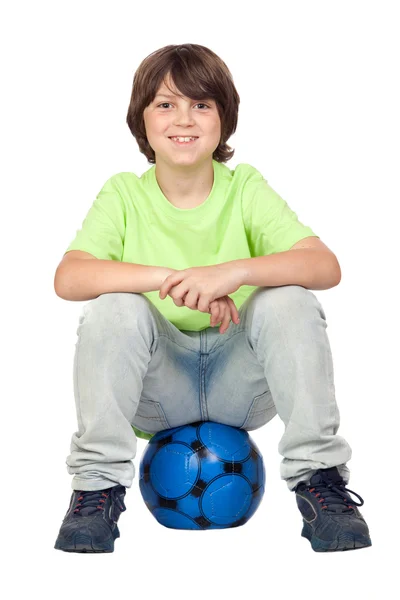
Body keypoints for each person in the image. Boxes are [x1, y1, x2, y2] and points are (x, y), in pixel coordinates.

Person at [53, 43, 371, 554]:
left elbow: (324, 266)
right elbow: (69, 278)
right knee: (113, 305)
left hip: (237, 384)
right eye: (166, 104)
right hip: (159, 392)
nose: (185, 118)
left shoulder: (244, 187)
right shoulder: (123, 194)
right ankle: (96, 489)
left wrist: (232, 273)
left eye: (202, 104)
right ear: (142, 120)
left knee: (286, 298)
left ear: (225, 119)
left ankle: (321, 482)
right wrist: (172, 278)